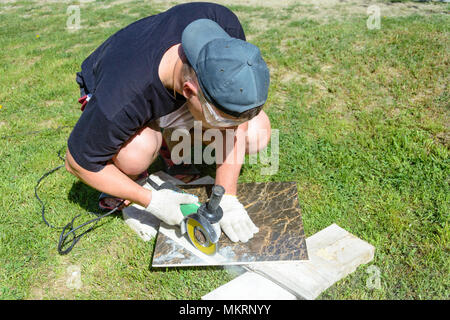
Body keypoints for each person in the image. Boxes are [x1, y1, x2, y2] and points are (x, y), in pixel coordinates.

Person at [65, 2, 271, 243]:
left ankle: (169, 143)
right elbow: (78, 162)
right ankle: (131, 180)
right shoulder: (120, 99)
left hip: (167, 89)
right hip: (118, 84)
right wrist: (152, 201)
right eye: (221, 119)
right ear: (189, 90)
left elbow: (234, 113)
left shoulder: (223, 27)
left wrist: (228, 197)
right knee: (134, 155)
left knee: (257, 131)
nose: (230, 128)